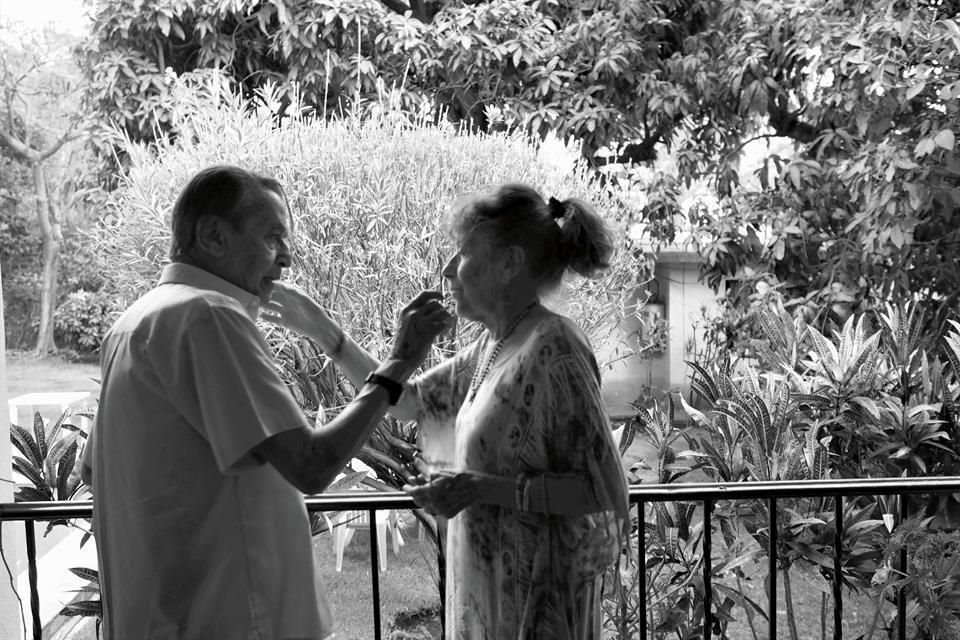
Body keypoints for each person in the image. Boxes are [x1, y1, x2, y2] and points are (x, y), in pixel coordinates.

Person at [79, 165, 451, 640]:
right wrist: (399, 361)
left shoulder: (134, 322)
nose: (288, 258)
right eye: (273, 237)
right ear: (213, 235)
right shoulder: (208, 315)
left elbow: (95, 471)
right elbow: (313, 466)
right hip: (230, 621)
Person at [265, 183, 629, 639]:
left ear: (509, 264)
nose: (448, 269)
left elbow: (598, 490)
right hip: (490, 599)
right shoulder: (494, 344)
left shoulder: (556, 348)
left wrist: (479, 488)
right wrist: (325, 331)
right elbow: (407, 402)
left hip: (539, 609)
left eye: (465, 253)